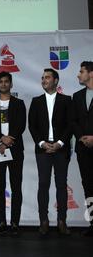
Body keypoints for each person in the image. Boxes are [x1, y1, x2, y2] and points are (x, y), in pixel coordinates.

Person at [28, 68, 72, 236]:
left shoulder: (67, 100)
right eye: (42, 78)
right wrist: (42, 143)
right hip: (43, 150)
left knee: (61, 185)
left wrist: (60, 143)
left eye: (47, 77)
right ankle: (43, 221)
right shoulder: (36, 101)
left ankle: (62, 221)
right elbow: (32, 125)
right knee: (43, 185)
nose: (44, 80)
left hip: (61, 149)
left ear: (56, 81)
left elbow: (70, 124)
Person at [0, 72, 26, 235]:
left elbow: (21, 125)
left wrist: (9, 140)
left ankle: (15, 223)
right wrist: (2, 140)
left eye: (6, 81)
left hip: (15, 149)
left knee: (16, 187)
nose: (3, 84)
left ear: (11, 84)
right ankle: (2, 222)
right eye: (0, 82)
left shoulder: (19, 103)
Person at [72, 61, 93, 236]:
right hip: (83, 148)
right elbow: (74, 121)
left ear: (91, 73)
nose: (79, 75)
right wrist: (82, 137)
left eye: (81, 71)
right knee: (88, 186)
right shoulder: (77, 96)